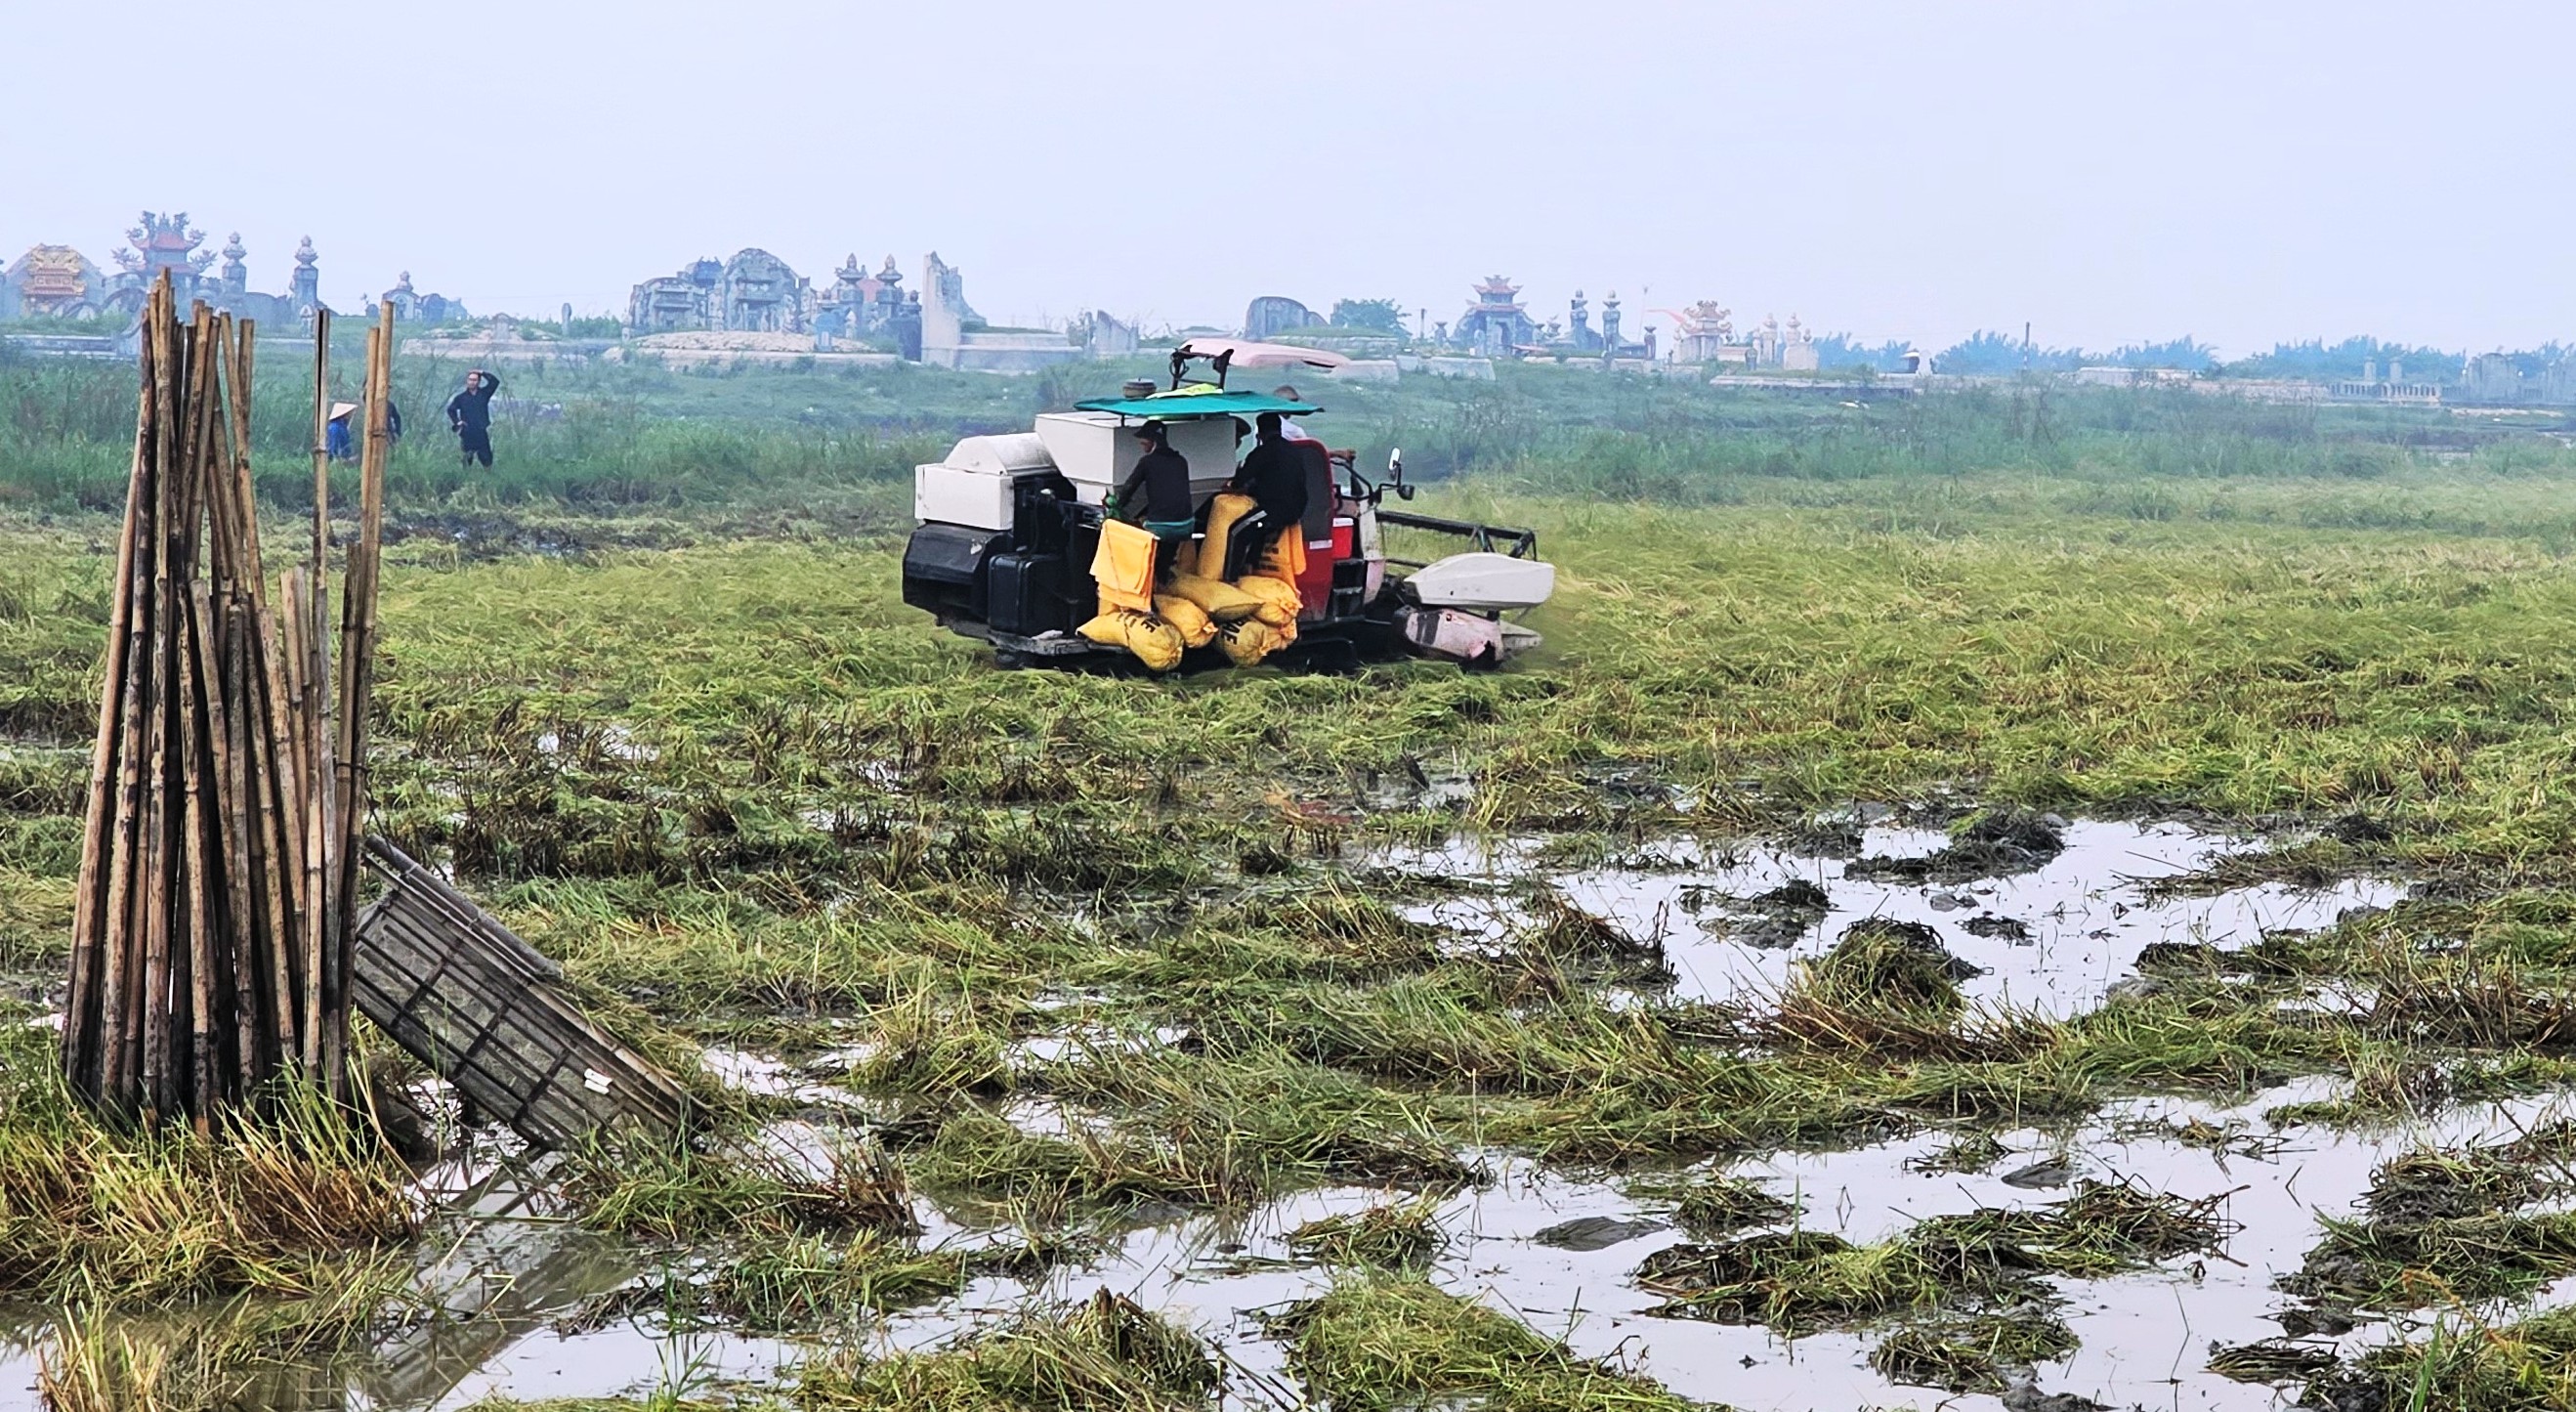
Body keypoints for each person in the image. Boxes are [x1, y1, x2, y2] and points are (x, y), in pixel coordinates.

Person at [1108, 420, 1195, 579]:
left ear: (1153, 441)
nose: (1141, 444)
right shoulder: (1181, 461)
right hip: (1187, 524)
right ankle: (1162, 575)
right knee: (1169, 537)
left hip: (1161, 526)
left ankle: (1143, 581)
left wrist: (1115, 505)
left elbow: (1128, 488)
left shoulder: (1147, 462)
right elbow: (1172, 491)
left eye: (1143, 441)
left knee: (1140, 531)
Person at [1232, 411, 1309, 566]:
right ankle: (1250, 567)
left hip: (1273, 512)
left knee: (1237, 533)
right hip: (1297, 511)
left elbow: (1238, 483)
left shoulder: (1261, 453)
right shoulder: (1293, 450)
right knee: (1258, 529)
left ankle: (1230, 578)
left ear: (1259, 433)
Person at [444, 367, 503, 468]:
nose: (472, 382)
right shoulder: (461, 398)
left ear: (479, 381)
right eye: (470, 380)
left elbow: (494, 382)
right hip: (467, 432)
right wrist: (457, 422)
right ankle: (466, 479)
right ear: (467, 381)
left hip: (481, 431)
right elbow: (451, 410)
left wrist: (481, 372)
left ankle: (488, 477)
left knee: (487, 459)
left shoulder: (484, 394)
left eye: (474, 380)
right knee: (467, 459)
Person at [325, 400, 403, 463]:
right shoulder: (335, 427)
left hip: (345, 457)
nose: (349, 416)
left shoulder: (342, 427)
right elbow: (334, 445)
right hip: (339, 460)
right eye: (348, 414)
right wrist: (338, 459)